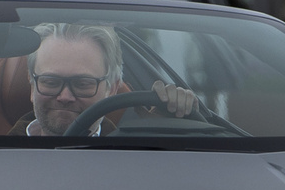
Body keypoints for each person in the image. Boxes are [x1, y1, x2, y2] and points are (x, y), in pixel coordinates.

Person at [20, 22, 196, 136]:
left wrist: (164, 137)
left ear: (112, 88)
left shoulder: (135, 159)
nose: (65, 97)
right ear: (32, 84)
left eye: (82, 84)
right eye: (50, 82)